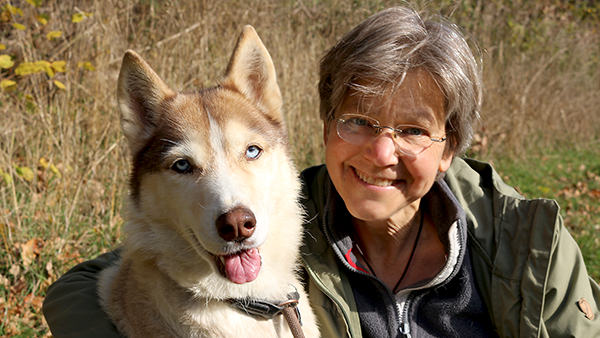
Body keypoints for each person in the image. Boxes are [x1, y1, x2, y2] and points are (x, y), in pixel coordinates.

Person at [43, 6, 599, 338]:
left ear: (450, 145)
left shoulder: (530, 246)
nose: (381, 154)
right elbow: (82, 285)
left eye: (411, 130)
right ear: (326, 124)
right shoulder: (298, 214)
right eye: (359, 121)